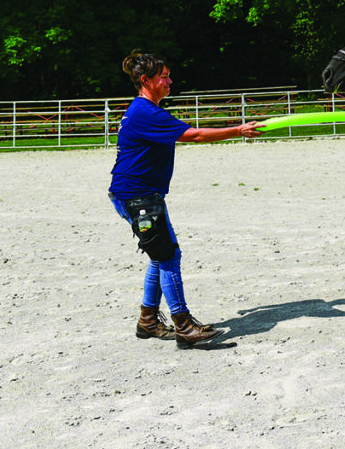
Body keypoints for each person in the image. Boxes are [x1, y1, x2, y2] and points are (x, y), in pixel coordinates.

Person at [108, 51, 262, 349]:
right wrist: (239, 130)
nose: (169, 81)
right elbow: (195, 135)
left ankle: (148, 321)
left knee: (162, 255)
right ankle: (184, 326)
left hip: (142, 195)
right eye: (163, 77)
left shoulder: (145, 109)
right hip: (138, 197)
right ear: (146, 80)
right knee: (168, 257)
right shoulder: (146, 112)